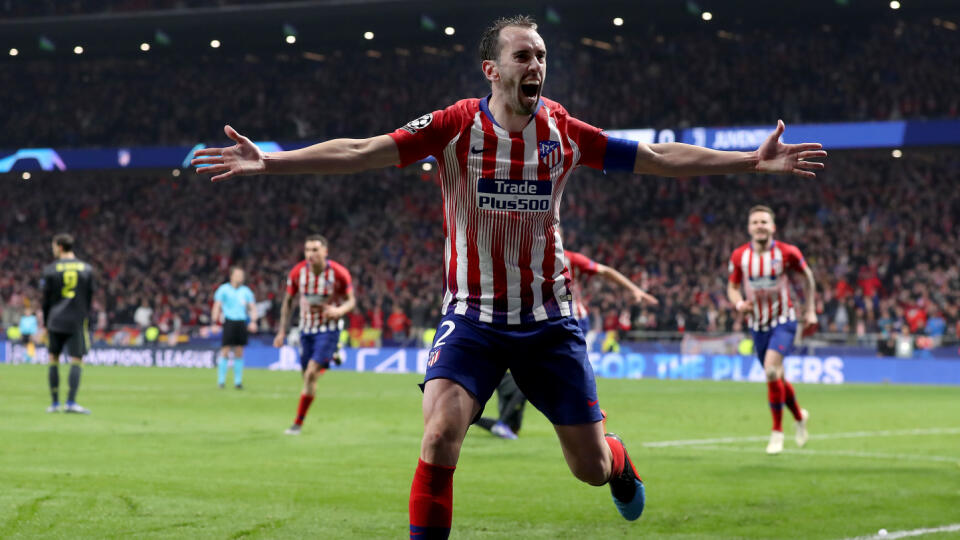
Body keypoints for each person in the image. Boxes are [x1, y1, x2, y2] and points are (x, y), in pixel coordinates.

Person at [192, 15, 826, 536]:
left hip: (549, 322)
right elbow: (362, 151)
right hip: (471, 316)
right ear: (492, 70)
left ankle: (621, 461)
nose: (537, 66)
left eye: (543, 55)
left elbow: (657, 156)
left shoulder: (564, 131)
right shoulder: (454, 126)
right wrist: (270, 164)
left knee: (591, 468)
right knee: (440, 434)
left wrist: (750, 162)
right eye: (524, 55)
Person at [475, 250, 658, 440]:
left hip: (566, 320)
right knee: (546, 375)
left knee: (537, 374)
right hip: (552, 320)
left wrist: (634, 290)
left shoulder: (567, 257)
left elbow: (603, 272)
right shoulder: (528, 256)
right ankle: (587, 416)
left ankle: (506, 422)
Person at [726, 205, 817, 454]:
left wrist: (810, 310)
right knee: (777, 376)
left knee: (770, 371)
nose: (760, 226)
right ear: (749, 228)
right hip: (757, 324)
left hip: (784, 320)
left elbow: (807, 277)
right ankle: (800, 417)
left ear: (772, 227)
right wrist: (738, 303)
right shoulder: (740, 256)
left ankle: (777, 432)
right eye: (755, 222)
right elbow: (732, 287)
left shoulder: (787, 253)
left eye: (764, 222)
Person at [273, 235, 356, 435]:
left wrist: (339, 311)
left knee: (311, 372)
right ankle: (329, 359)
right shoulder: (298, 273)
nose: (311, 254)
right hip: (306, 329)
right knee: (308, 379)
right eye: (308, 250)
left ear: (325, 252)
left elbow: (351, 301)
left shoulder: (339, 273)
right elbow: (288, 302)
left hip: (329, 328)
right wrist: (282, 330)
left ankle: (297, 423)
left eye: (315, 250)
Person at [41, 233, 95, 414]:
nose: (53, 249)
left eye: (53, 246)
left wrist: (46, 321)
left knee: (53, 359)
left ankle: (55, 403)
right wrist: (85, 317)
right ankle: (71, 402)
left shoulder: (50, 269)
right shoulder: (87, 269)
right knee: (77, 360)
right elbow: (89, 298)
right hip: (76, 320)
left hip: (55, 320)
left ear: (60, 247)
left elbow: (46, 300)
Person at [211, 267, 258, 389]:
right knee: (225, 351)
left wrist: (253, 321)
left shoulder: (246, 291)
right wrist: (215, 323)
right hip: (229, 322)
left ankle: (238, 382)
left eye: (242, 275)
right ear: (231, 276)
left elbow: (252, 307)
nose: (240, 277)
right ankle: (221, 381)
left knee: (239, 352)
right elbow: (217, 306)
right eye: (238, 275)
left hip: (241, 322)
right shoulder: (223, 289)